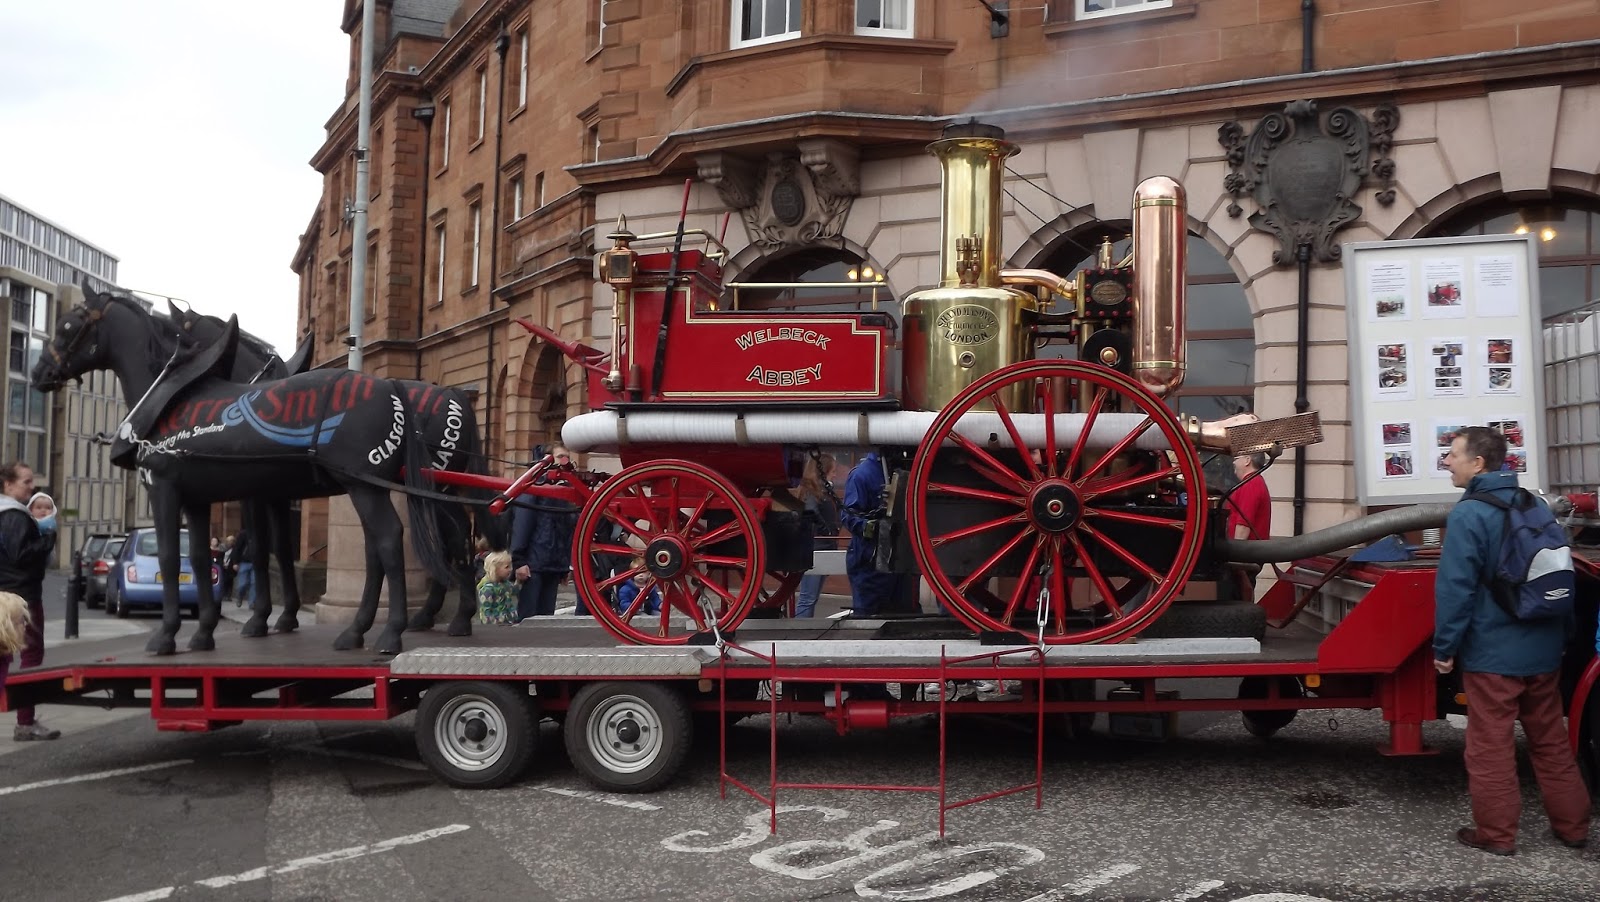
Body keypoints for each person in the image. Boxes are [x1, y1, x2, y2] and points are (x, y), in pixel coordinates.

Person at [1434, 426, 1590, 855]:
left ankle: (1496, 835)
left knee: (1490, 746)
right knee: (1551, 741)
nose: (1446, 461)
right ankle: (1573, 827)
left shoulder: (1469, 515)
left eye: (1452, 454)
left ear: (1477, 463)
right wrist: (1563, 637)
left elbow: (1456, 591)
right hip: (1543, 647)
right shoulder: (1535, 505)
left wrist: (1445, 649)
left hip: (1494, 654)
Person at [0, 462, 58, 740]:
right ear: (8, 484)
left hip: (6, 595)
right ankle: (25, 722)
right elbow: (21, 554)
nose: (32, 486)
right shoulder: (14, 515)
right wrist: (48, 537)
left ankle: (25, 721)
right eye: (26, 481)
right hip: (22, 597)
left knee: (4, 657)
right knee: (31, 657)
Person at [510, 444, 579, 619]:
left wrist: (564, 566)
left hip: (553, 565)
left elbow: (566, 531)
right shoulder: (535, 485)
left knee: (546, 617)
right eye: (561, 457)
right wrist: (519, 560)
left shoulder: (562, 488)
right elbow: (523, 524)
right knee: (529, 616)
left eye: (567, 457)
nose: (566, 461)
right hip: (533, 564)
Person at [841, 451, 907, 617]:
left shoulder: (893, 470)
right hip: (870, 558)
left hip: (897, 558)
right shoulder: (862, 475)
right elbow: (849, 515)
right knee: (868, 614)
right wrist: (874, 528)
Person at [794, 454, 840, 618]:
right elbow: (811, 511)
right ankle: (801, 629)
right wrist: (828, 531)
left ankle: (803, 627)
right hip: (817, 548)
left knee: (810, 597)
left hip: (821, 547)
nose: (835, 475)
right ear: (824, 471)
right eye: (833, 471)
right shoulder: (813, 492)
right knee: (808, 597)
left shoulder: (819, 491)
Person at [475, 550, 519, 625]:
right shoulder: (487, 589)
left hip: (509, 622)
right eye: (507, 567)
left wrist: (518, 581)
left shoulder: (506, 584)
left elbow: (514, 591)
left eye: (511, 566)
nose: (511, 569)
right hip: (496, 626)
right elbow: (486, 612)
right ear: (494, 569)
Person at [230, 528, 257, 609]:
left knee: (254, 583)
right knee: (243, 584)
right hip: (244, 562)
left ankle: (252, 602)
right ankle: (240, 595)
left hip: (256, 563)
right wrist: (235, 562)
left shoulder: (260, 533)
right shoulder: (243, 534)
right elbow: (237, 548)